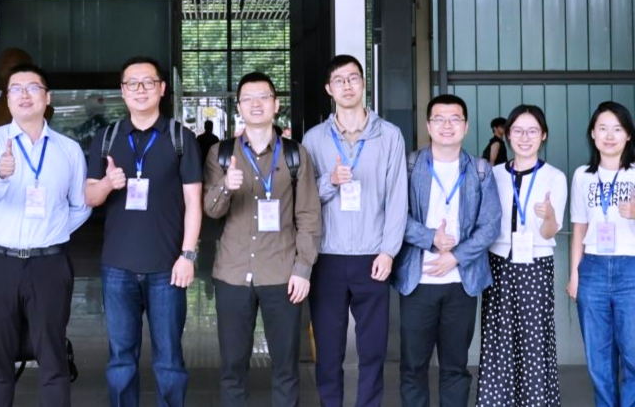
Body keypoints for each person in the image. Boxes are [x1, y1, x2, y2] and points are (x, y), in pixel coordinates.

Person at [85, 56, 203, 407]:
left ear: (162, 89)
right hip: (117, 267)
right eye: (132, 83)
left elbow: (194, 202)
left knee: (170, 362)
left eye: (148, 82)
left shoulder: (181, 138)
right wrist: (108, 183)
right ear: (122, 91)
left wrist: (188, 255)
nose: (140, 89)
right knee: (121, 361)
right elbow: (90, 196)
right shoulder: (106, 138)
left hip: (167, 268)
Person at [0, 63, 92, 406]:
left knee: (53, 357)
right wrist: (1, 174)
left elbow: (80, 205)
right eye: (16, 89)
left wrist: (51, 230)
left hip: (50, 265)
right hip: (0, 263)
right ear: (7, 99)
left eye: (33, 88)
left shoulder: (68, 149)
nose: (24, 95)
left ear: (47, 97)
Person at [203, 72, 321, 407]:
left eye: (263, 97)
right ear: (239, 106)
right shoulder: (220, 153)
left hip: (282, 274)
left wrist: (303, 269)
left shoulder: (296, 154)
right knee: (232, 368)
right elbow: (211, 210)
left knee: (285, 368)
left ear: (276, 104)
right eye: (248, 98)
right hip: (233, 274)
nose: (256, 104)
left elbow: (309, 215)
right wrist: (226, 186)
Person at [301, 54, 407, 407]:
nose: (347, 86)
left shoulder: (389, 136)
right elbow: (304, 201)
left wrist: (388, 252)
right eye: (339, 80)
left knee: (373, 349)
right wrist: (330, 181)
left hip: (372, 256)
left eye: (353, 78)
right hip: (327, 257)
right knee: (328, 350)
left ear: (363, 84)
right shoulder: (314, 139)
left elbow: (397, 199)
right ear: (328, 89)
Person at [391, 94, 501, 407]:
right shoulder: (409, 165)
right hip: (418, 281)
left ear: (466, 126)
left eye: (455, 119)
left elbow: (490, 224)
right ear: (428, 126)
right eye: (439, 119)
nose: (447, 125)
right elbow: (395, 215)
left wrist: (455, 255)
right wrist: (431, 238)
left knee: (455, 367)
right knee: (413, 367)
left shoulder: (480, 170)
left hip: (461, 284)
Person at [475, 105, 566, 406]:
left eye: (532, 131)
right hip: (498, 263)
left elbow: (550, 232)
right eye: (518, 130)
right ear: (507, 135)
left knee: (534, 340)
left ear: (544, 135)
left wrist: (549, 216)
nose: (524, 137)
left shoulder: (554, 177)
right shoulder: (493, 174)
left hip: (536, 265)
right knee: (498, 339)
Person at [568, 101, 635, 407]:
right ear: (593, 134)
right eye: (603, 128)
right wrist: (574, 274)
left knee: (633, 356)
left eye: (617, 129)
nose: (610, 136)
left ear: (628, 135)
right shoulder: (582, 176)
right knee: (599, 361)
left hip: (631, 269)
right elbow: (579, 227)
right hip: (592, 270)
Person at [0, 47, 54, 265]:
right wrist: (1, 174)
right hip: (1, 248)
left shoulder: (67, 148)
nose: (6, 73)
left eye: (15, 68)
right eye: (3, 68)